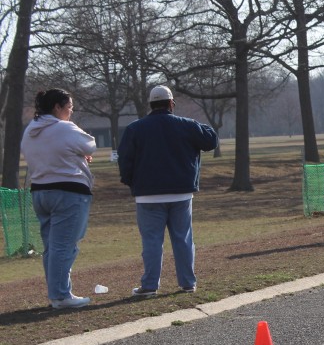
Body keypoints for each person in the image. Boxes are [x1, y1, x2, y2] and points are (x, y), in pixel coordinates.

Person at [118, 85, 219, 296]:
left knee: (152, 242)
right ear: (171, 103)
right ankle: (187, 283)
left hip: (147, 195)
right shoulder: (186, 125)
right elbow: (211, 140)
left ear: (150, 105)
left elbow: (125, 161)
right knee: (183, 239)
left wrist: (131, 182)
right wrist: (190, 122)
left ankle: (150, 286)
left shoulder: (135, 129)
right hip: (181, 193)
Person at [21, 89, 98, 309]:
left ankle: (56, 293)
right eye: (69, 107)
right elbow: (90, 145)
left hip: (40, 192)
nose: (71, 111)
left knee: (52, 247)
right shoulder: (64, 127)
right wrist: (78, 154)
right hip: (68, 192)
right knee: (64, 246)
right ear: (57, 107)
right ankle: (61, 296)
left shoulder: (31, 130)